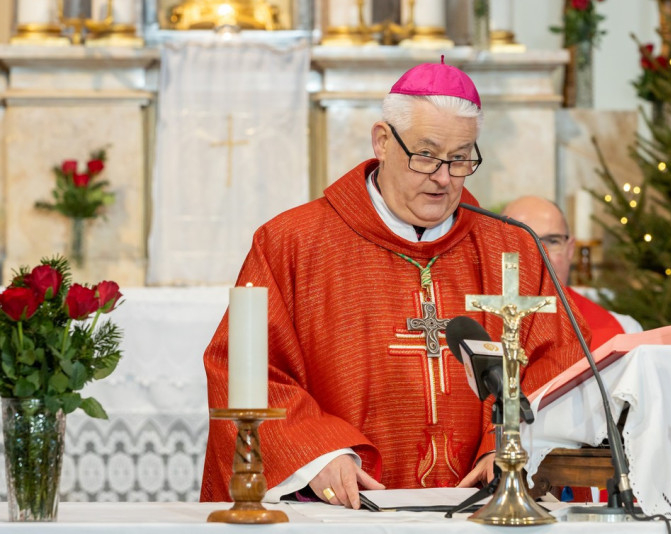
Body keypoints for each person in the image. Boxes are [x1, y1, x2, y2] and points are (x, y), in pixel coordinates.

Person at [201, 61, 588, 508]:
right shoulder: (294, 242)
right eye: (426, 155)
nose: (443, 177)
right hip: (347, 512)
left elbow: (561, 362)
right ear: (382, 141)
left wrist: (509, 443)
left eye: (461, 158)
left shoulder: (511, 248)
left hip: (482, 510)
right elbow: (244, 371)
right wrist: (316, 452)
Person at [502, 196, 642, 348]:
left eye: (552, 241)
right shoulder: (481, 327)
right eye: (520, 241)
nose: (539, 255)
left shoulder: (625, 334)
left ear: (569, 250)